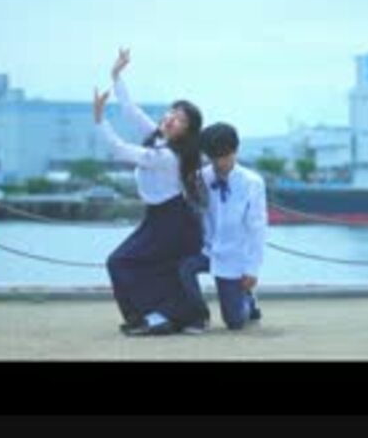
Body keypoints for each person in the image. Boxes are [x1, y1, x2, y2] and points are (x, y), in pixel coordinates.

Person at [93, 47, 205, 336]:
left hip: (174, 221)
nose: (171, 119)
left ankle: (157, 317)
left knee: (121, 261)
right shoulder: (157, 136)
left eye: (180, 120)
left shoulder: (167, 156)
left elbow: (120, 150)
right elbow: (131, 111)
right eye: (172, 113)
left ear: (186, 132)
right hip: (159, 218)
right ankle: (164, 316)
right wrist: (116, 75)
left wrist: (100, 120)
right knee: (136, 265)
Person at [176, 122, 267, 333]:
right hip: (208, 251)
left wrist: (251, 270)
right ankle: (199, 316)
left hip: (234, 256)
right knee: (184, 268)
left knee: (234, 322)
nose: (219, 163)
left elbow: (257, 228)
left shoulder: (252, 183)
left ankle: (248, 301)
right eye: (213, 157)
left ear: (235, 151)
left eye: (224, 156)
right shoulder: (201, 177)